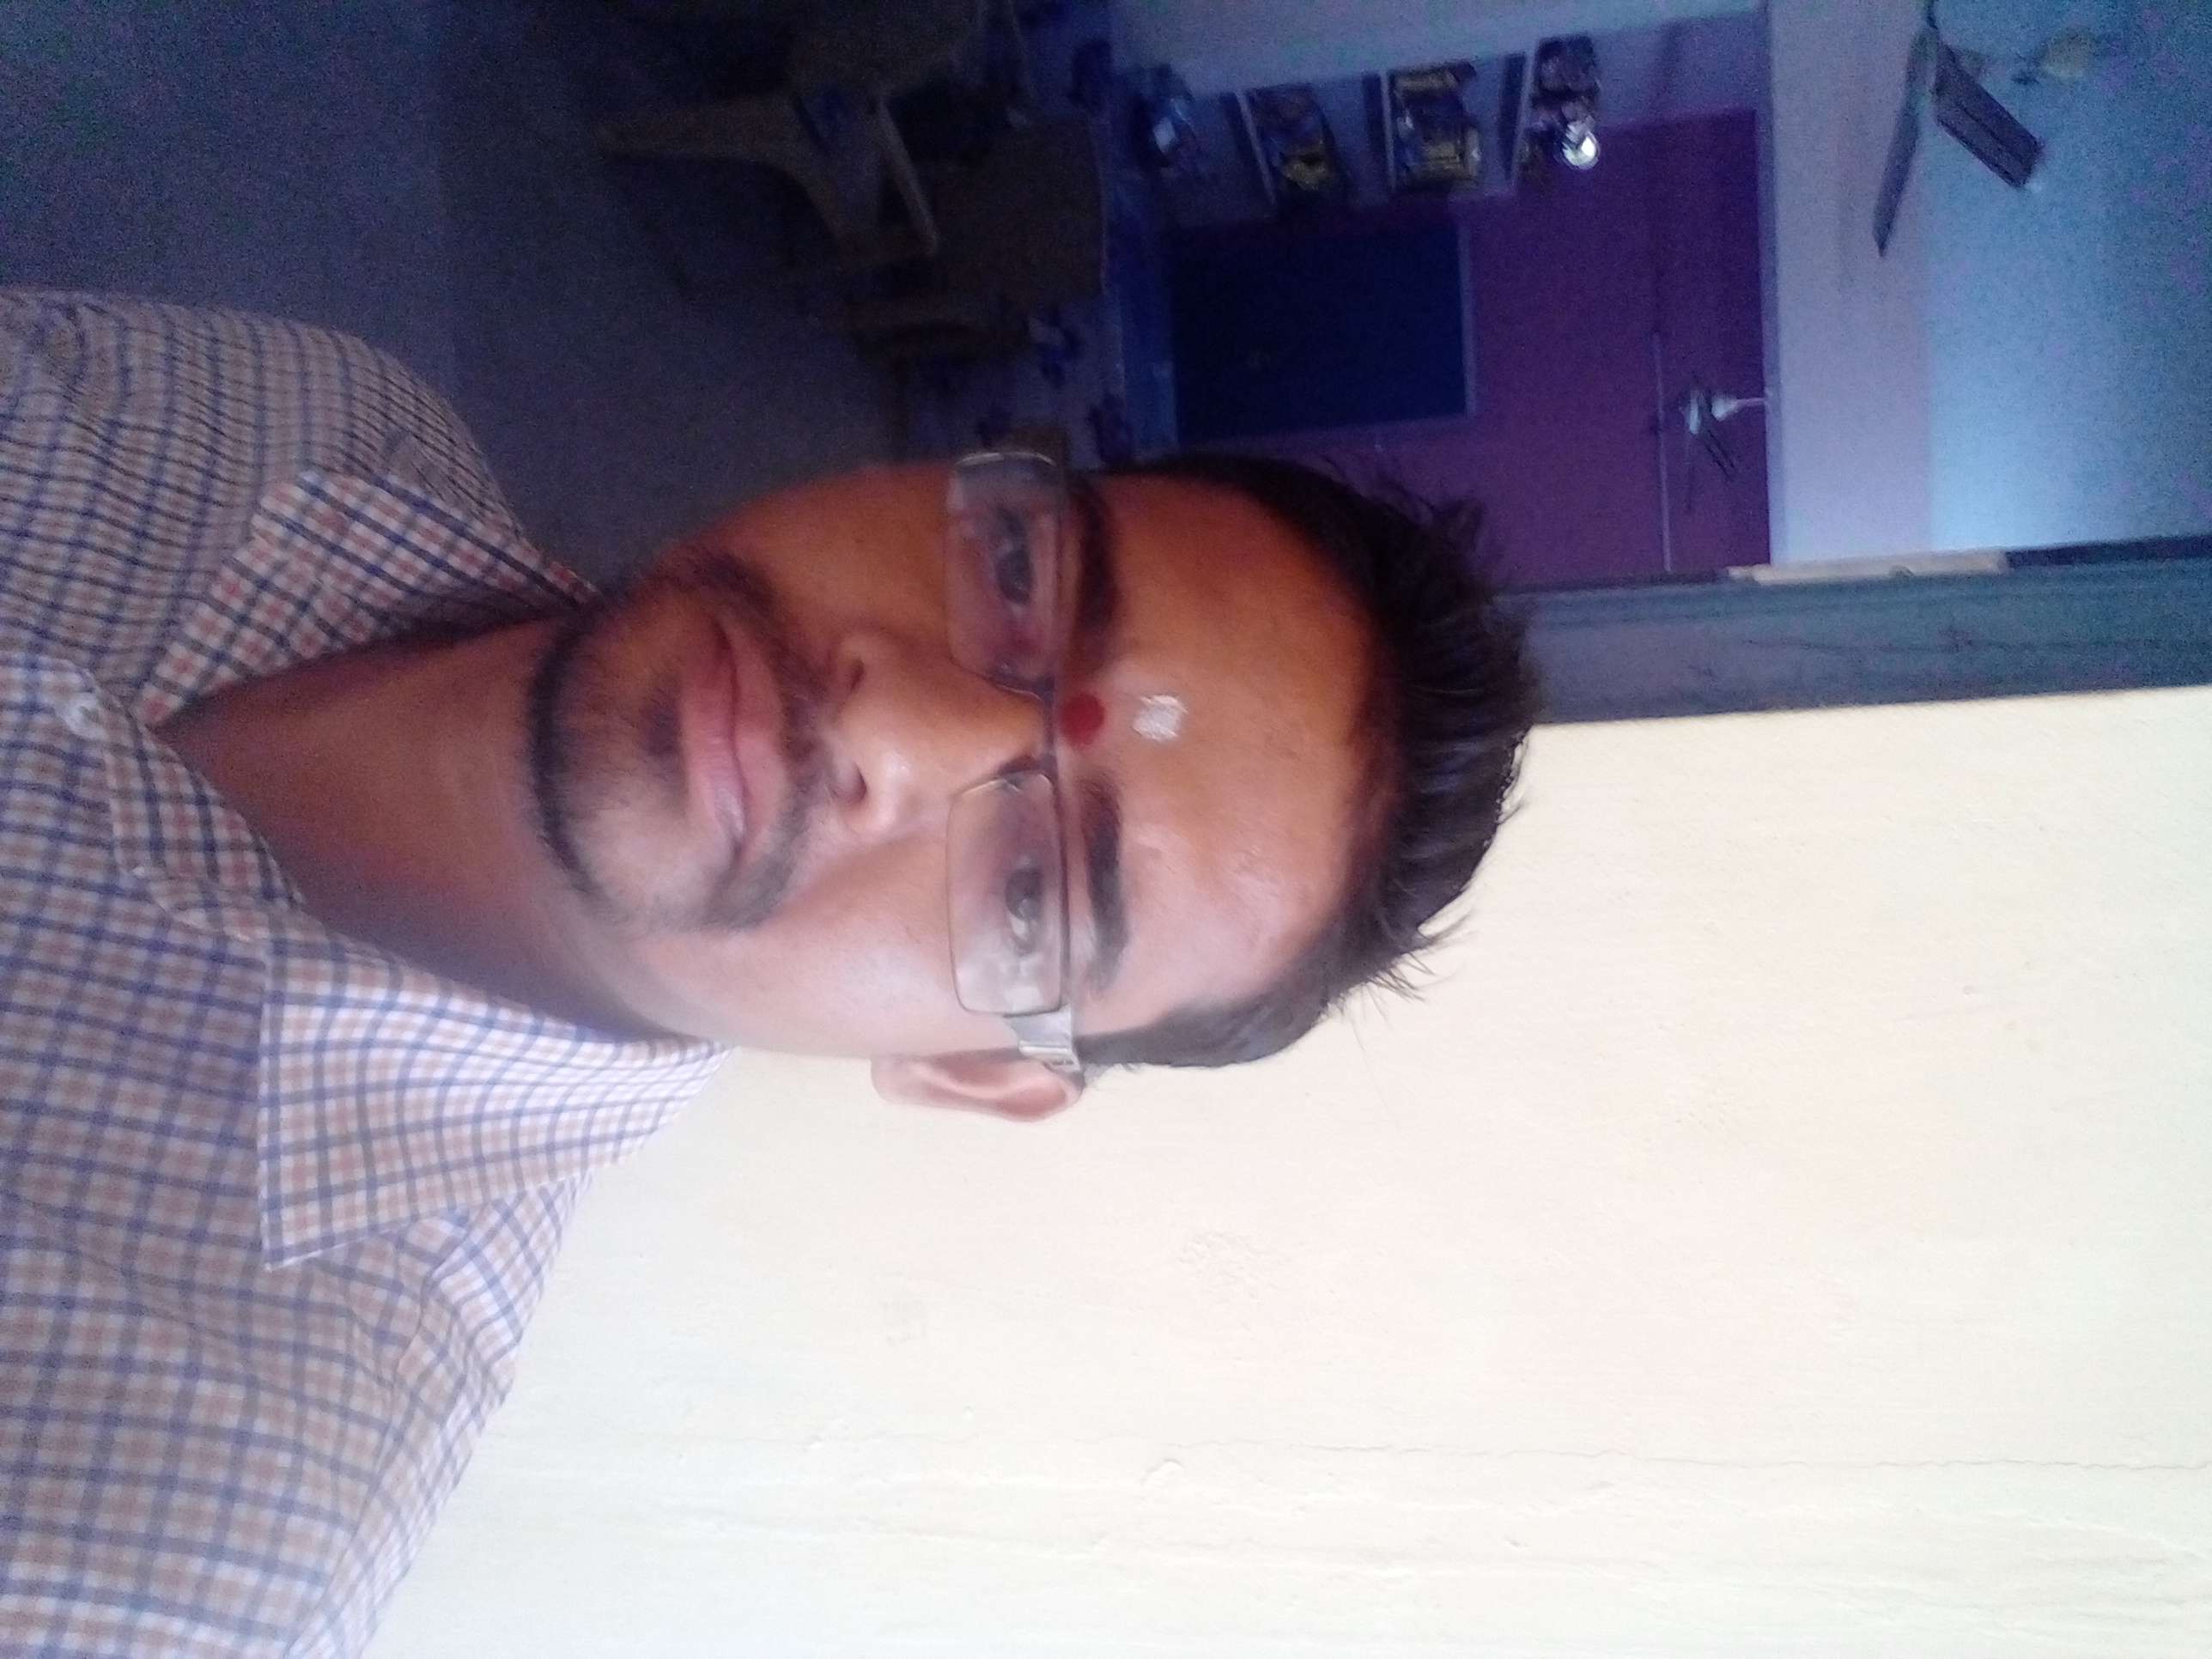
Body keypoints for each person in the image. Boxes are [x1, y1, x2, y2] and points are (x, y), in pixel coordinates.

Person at [0, 290, 1534, 1654]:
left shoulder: (167, 1530)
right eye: (1021, 574)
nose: (892, 728)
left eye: (1037, 891)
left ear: (972, 1069)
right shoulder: (299, 410)